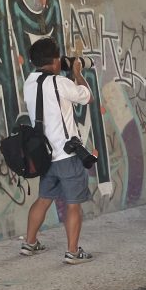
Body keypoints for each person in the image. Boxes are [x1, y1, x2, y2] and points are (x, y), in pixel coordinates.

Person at [20, 37, 94, 264]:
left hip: (45, 155)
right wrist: (78, 71)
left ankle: (30, 243)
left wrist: (65, 72)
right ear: (54, 61)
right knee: (73, 204)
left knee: (44, 198)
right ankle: (72, 252)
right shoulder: (60, 83)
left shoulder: (29, 83)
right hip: (67, 154)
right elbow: (86, 96)